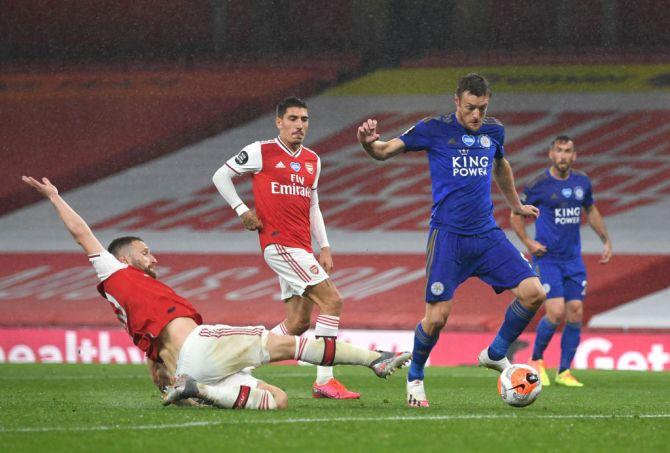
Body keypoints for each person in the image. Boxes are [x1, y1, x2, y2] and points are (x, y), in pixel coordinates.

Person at [21, 175, 410, 410]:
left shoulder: (131, 301)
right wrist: (55, 197)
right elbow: (83, 235)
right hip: (201, 346)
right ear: (123, 257)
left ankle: (200, 391)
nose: (152, 256)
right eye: (144, 251)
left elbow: (155, 364)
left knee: (277, 399)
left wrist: (172, 382)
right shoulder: (114, 271)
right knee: (287, 344)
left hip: (189, 369)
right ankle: (374, 359)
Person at [356, 73, 547, 408]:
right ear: (456, 101)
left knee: (534, 293)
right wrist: (369, 143)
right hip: (449, 238)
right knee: (437, 318)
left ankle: (495, 353)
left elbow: (501, 165)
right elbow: (384, 151)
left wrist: (515, 204)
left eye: (482, 108)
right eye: (471, 107)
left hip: (487, 236)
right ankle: (415, 377)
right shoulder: (433, 129)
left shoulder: (493, 131)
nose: (477, 115)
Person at [212, 96, 360, 399]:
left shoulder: (312, 160)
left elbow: (313, 205)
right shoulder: (261, 151)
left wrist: (325, 246)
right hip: (278, 244)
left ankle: (235, 369)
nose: (299, 125)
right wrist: (241, 209)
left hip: (302, 247)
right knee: (332, 301)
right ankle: (324, 380)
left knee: (297, 323)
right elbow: (221, 175)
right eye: (292, 119)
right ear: (279, 122)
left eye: (304, 120)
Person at [510, 136, 612, 387]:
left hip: (573, 260)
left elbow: (591, 210)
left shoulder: (582, 182)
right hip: (548, 259)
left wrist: (605, 240)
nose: (564, 156)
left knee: (576, 312)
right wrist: (528, 242)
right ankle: (537, 360)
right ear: (551, 154)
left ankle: (564, 371)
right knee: (555, 313)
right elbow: (516, 214)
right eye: (559, 151)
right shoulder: (539, 185)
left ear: (574, 156)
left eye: (568, 151)